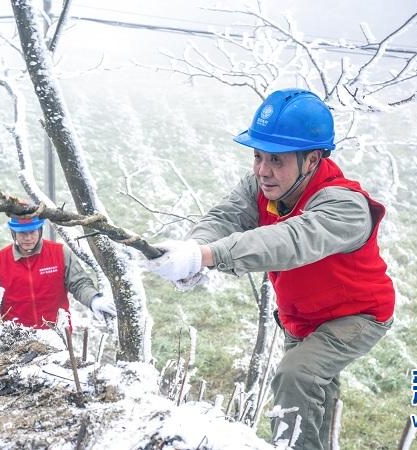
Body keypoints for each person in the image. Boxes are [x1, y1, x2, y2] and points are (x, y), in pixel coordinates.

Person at [146, 89, 395, 450]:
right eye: (258, 156)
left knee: (297, 377)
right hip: (305, 316)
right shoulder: (264, 186)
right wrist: (192, 248)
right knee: (315, 395)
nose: (263, 171)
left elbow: (289, 241)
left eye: (276, 160)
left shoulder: (344, 205)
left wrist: (206, 256)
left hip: (356, 316)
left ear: (311, 160)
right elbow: (227, 216)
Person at [0, 214, 116, 329]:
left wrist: (93, 299)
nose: (28, 238)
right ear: (14, 233)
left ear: (40, 230)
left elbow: (79, 283)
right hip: (14, 338)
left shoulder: (60, 253)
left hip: (56, 334)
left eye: (32, 232)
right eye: (22, 233)